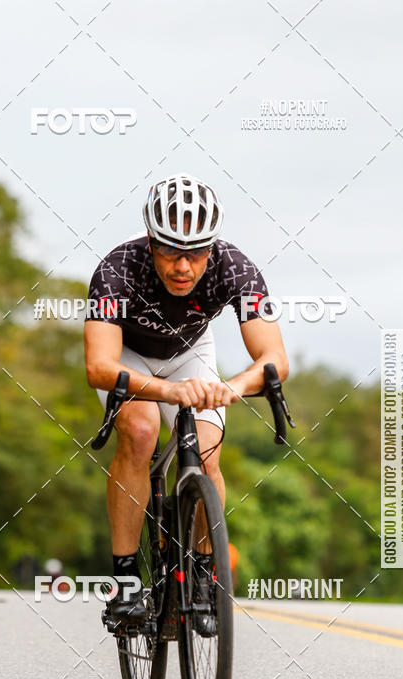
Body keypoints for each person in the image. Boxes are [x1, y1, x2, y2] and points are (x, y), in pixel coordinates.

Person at [84, 173, 288, 625]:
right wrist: (167, 392)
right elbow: (99, 366)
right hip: (129, 358)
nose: (183, 267)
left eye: (196, 253)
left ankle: (201, 571)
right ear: (151, 242)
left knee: (208, 452)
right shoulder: (117, 268)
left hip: (190, 353)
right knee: (140, 432)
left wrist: (232, 386)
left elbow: (274, 358)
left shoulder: (235, 267)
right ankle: (125, 584)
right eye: (170, 252)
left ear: (212, 248)